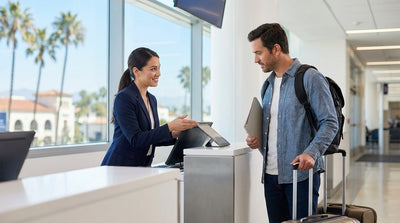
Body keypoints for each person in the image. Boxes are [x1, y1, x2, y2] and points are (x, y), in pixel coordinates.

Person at [246, 23, 338, 222]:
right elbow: (276, 129)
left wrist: (311, 153)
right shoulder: (267, 85)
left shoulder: (310, 77)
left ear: (276, 49)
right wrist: (257, 140)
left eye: (259, 53)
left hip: (301, 176)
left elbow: (330, 122)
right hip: (271, 176)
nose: (255, 59)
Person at [102, 47, 198, 167]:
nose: (158, 73)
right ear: (136, 71)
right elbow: (136, 139)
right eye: (153, 69)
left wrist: (174, 134)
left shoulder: (151, 99)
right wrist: (170, 126)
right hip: (120, 167)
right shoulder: (124, 98)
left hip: (143, 166)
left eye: (158, 68)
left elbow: (150, 137)